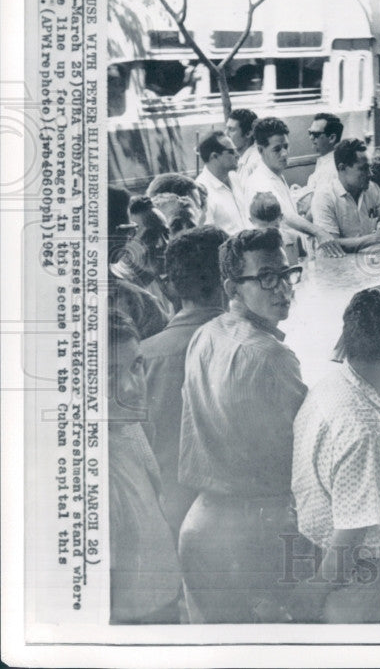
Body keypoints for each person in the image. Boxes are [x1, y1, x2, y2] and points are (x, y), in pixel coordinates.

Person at [178, 228, 308, 623]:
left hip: (199, 527)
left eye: (287, 273)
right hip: (256, 536)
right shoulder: (271, 356)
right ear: (232, 287)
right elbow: (310, 449)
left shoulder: (204, 334)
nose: (283, 288)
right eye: (267, 277)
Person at [291, 288, 380, 623]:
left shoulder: (331, 384)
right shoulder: (363, 429)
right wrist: (316, 591)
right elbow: (350, 535)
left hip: (343, 561)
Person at [140, 226, 229, 538]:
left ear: (170, 287)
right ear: (230, 282)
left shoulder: (142, 358)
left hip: (168, 517)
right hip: (236, 514)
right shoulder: (250, 348)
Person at [108, 309, 183, 624]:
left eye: (136, 365)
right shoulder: (93, 472)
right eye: (109, 373)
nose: (131, 387)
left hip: (161, 607)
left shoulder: (127, 425)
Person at [242, 117, 344, 257]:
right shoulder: (259, 181)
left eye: (286, 146)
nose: (284, 153)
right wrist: (319, 232)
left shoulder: (276, 175)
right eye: (277, 149)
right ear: (260, 150)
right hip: (273, 256)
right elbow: (284, 216)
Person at [311, 139, 380, 252]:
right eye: (363, 168)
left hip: (369, 261)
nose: (370, 174)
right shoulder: (324, 197)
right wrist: (375, 238)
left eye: (369, 167)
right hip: (337, 265)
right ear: (342, 168)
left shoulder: (372, 189)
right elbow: (332, 243)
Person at [108, 187, 169, 340]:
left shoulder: (171, 289)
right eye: (150, 236)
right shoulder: (135, 300)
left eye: (166, 233)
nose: (163, 244)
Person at [195, 132, 247, 235]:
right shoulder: (200, 192)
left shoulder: (234, 177)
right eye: (231, 151)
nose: (238, 155)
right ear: (214, 156)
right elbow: (207, 238)